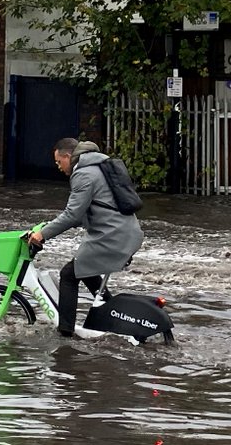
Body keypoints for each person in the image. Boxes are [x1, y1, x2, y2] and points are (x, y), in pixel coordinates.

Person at [27, 137, 144, 337]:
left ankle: (65, 332)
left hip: (112, 235)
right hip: (122, 232)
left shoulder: (83, 174)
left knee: (68, 275)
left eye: (58, 162)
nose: (58, 167)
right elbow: (85, 214)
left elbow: (72, 214)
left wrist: (43, 234)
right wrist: (47, 228)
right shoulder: (97, 165)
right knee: (85, 270)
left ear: (67, 156)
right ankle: (112, 314)